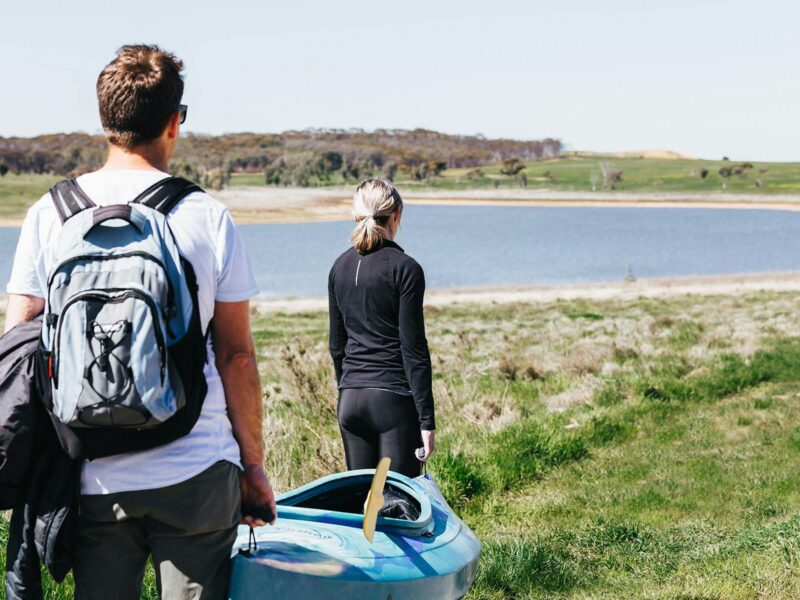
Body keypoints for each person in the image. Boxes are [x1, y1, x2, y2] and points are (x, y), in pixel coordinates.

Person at [4, 44, 276, 600]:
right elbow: (236, 357)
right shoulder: (207, 217)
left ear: (105, 122)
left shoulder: (50, 215)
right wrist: (252, 466)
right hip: (197, 467)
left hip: (90, 472)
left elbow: (19, 342)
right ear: (176, 122)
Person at [328, 179, 436, 478]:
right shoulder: (405, 268)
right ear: (397, 214)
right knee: (399, 504)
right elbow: (413, 348)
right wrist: (426, 421)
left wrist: (347, 385)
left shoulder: (339, 267)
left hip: (350, 401)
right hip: (391, 401)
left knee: (364, 506)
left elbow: (337, 346)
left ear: (355, 215)